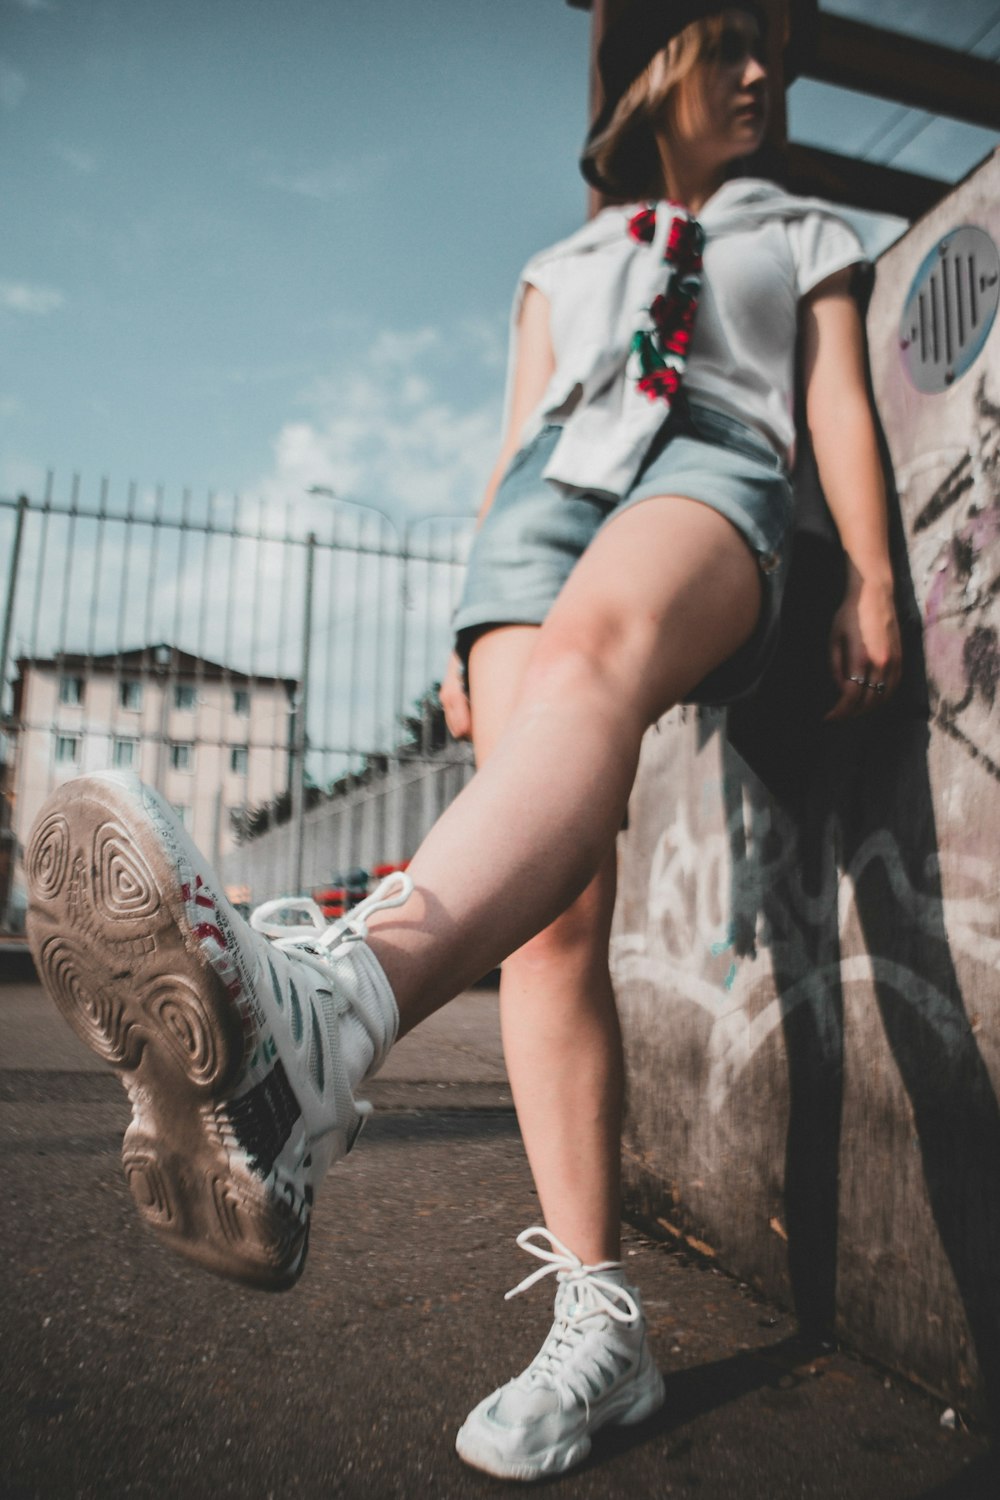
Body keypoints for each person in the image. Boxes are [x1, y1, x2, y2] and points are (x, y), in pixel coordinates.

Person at [25, 0, 902, 1483]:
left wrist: (873, 574)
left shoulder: (806, 230)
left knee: (595, 653)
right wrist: (456, 624)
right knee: (552, 919)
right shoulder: (556, 265)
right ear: (663, 66)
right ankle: (598, 1321)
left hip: (711, 464)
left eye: (782, 55)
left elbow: (834, 400)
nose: (765, 75)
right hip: (544, 505)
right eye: (735, 41)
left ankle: (328, 1021)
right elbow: (514, 444)